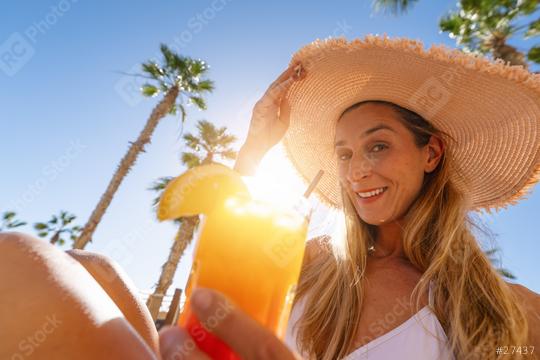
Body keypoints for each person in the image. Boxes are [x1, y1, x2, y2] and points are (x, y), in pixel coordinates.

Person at [1, 35, 539, 360]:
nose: (356, 171)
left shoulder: (504, 308)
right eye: (344, 154)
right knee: (91, 267)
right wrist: (255, 149)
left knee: (16, 262)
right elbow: (221, 282)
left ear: (432, 152)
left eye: (378, 145)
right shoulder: (311, 261)